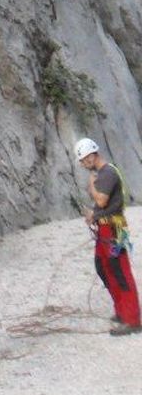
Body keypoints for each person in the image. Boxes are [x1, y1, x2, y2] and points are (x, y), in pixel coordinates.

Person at [75, 137, 141, 334]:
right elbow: (102, 206)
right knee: (103, 267)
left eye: (85, 160)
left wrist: (91, 186)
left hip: (113, 229)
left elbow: (102, 201)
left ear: (92, 156)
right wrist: (93, 216)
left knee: (119, 270)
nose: (84, 164)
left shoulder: (107, 173)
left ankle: (132, 319)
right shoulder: (103, 173)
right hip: (106, 228)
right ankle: (121, 310)